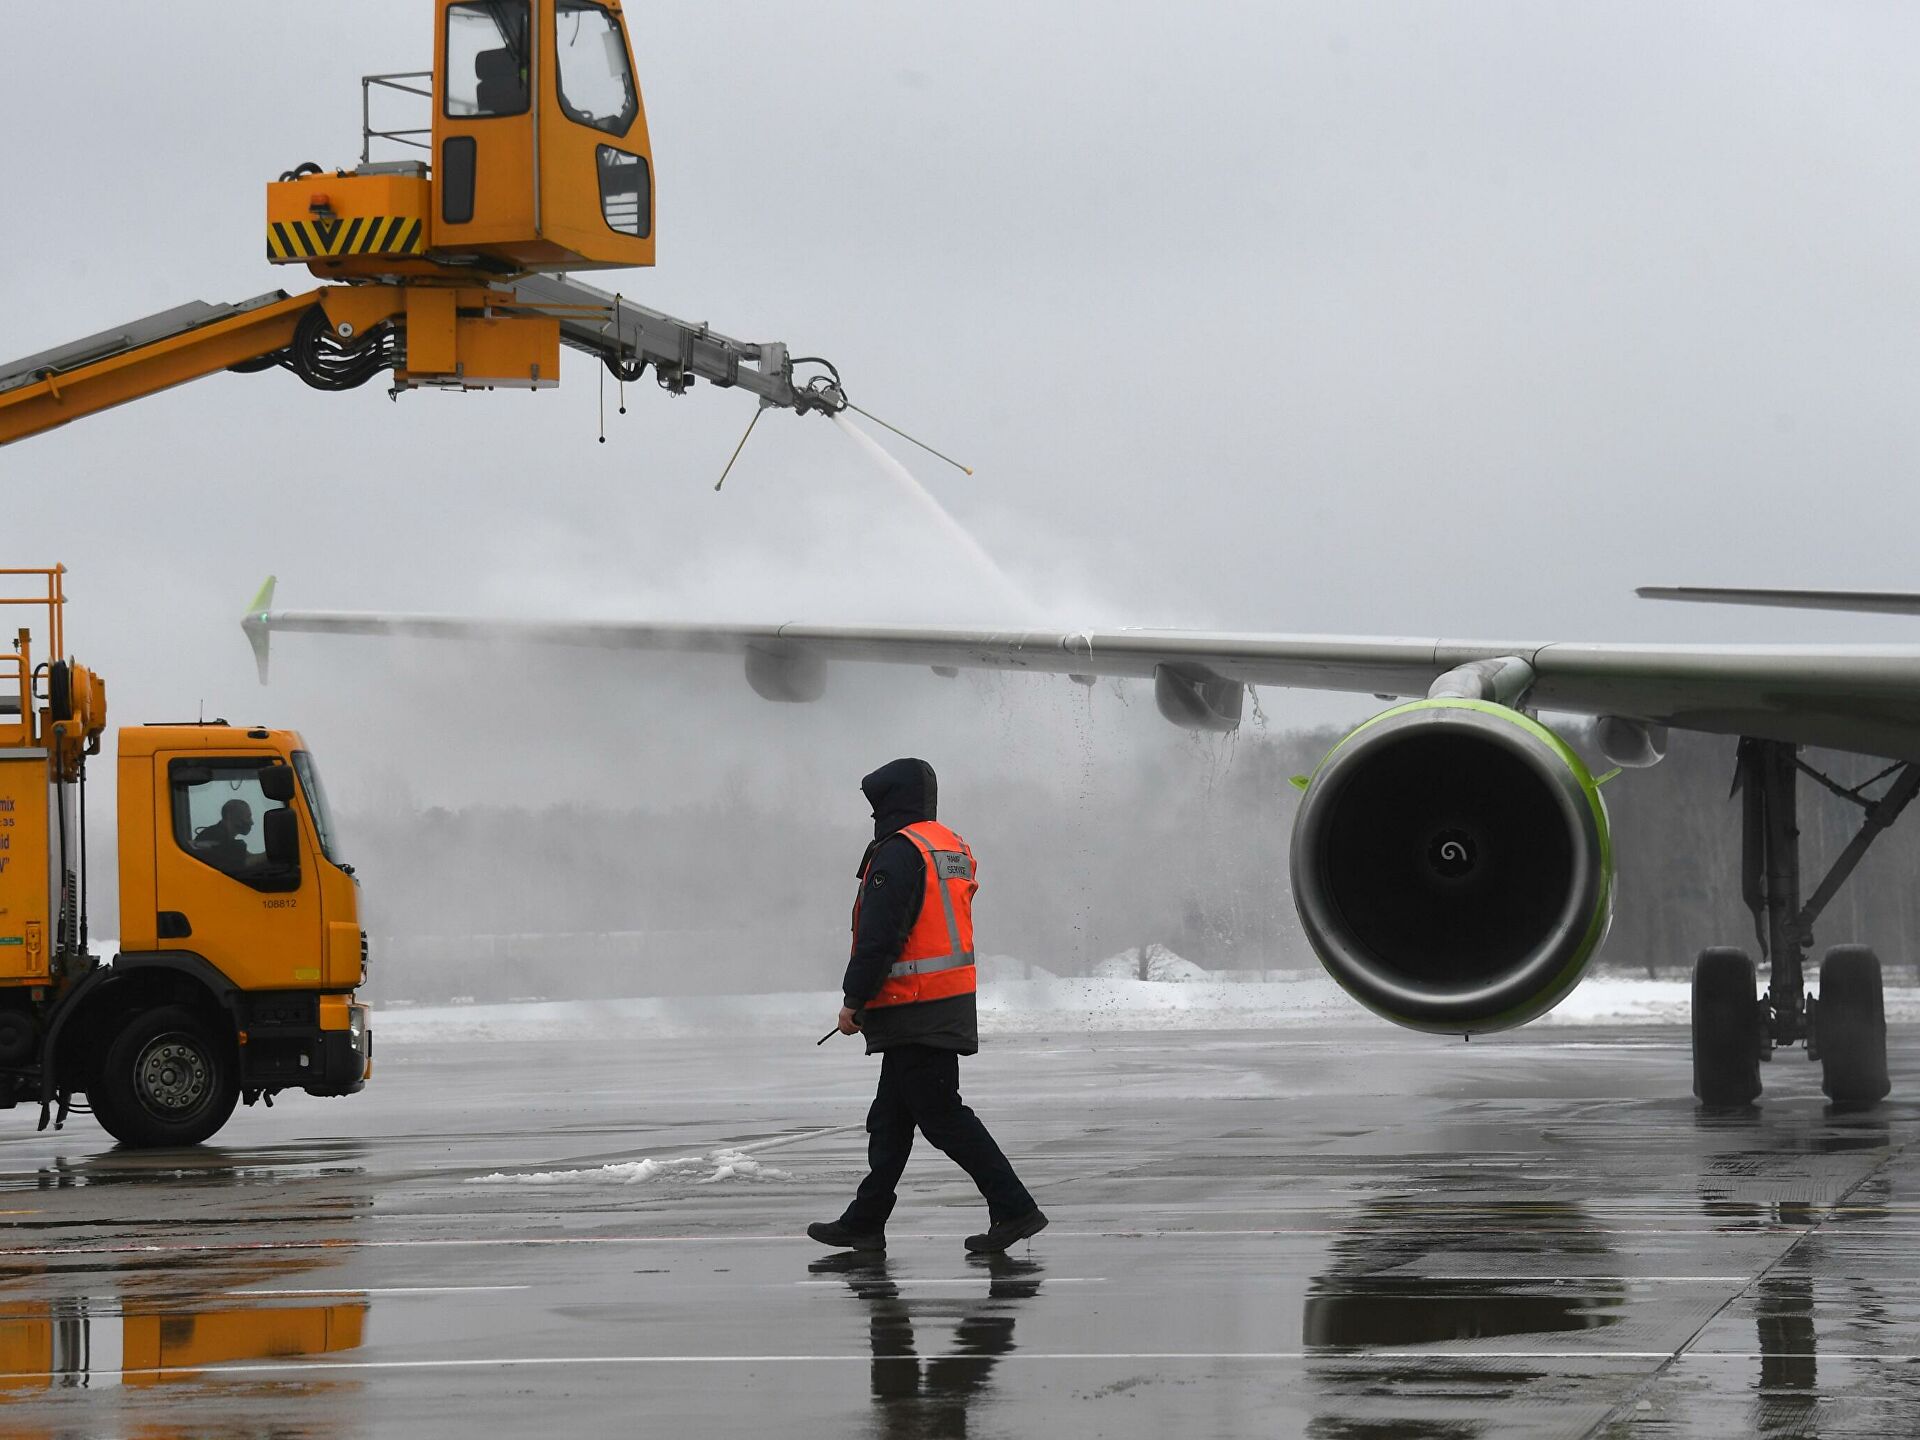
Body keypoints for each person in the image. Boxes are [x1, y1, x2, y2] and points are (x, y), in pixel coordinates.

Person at [808, 758, 1048, 1255]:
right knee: (890, 1121)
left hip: (915, 1006)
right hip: (942, 1002)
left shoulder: (898, 853)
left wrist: (855, 1000)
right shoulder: (948, 845)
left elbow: (880, 938)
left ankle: (1015, 1208)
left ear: (888, 802)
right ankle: (865, 1222)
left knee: (943, 1118)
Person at [194, 798, 255, 874]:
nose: (252, 822)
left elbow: (250, 857)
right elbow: (245, 862)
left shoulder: (219, 835)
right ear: (231, 816)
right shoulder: (214, 837)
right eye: (248, 817)